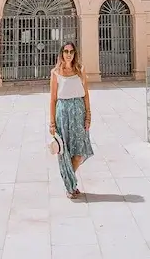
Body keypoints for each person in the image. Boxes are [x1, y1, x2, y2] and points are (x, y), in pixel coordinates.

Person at [49, 41, 94, 199]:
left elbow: (86, 94)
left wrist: (88, 116)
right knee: (65, 151)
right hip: (63, 114)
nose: (68, 54)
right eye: (66, 51)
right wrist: (52, 122)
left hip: (79, 113)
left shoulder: (80, 71)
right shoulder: (55, 73)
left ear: (75, 54)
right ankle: (70, 186)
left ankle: (69, 180)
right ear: (61, 53)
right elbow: (53, 99)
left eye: (71, 51)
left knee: (79, 151)